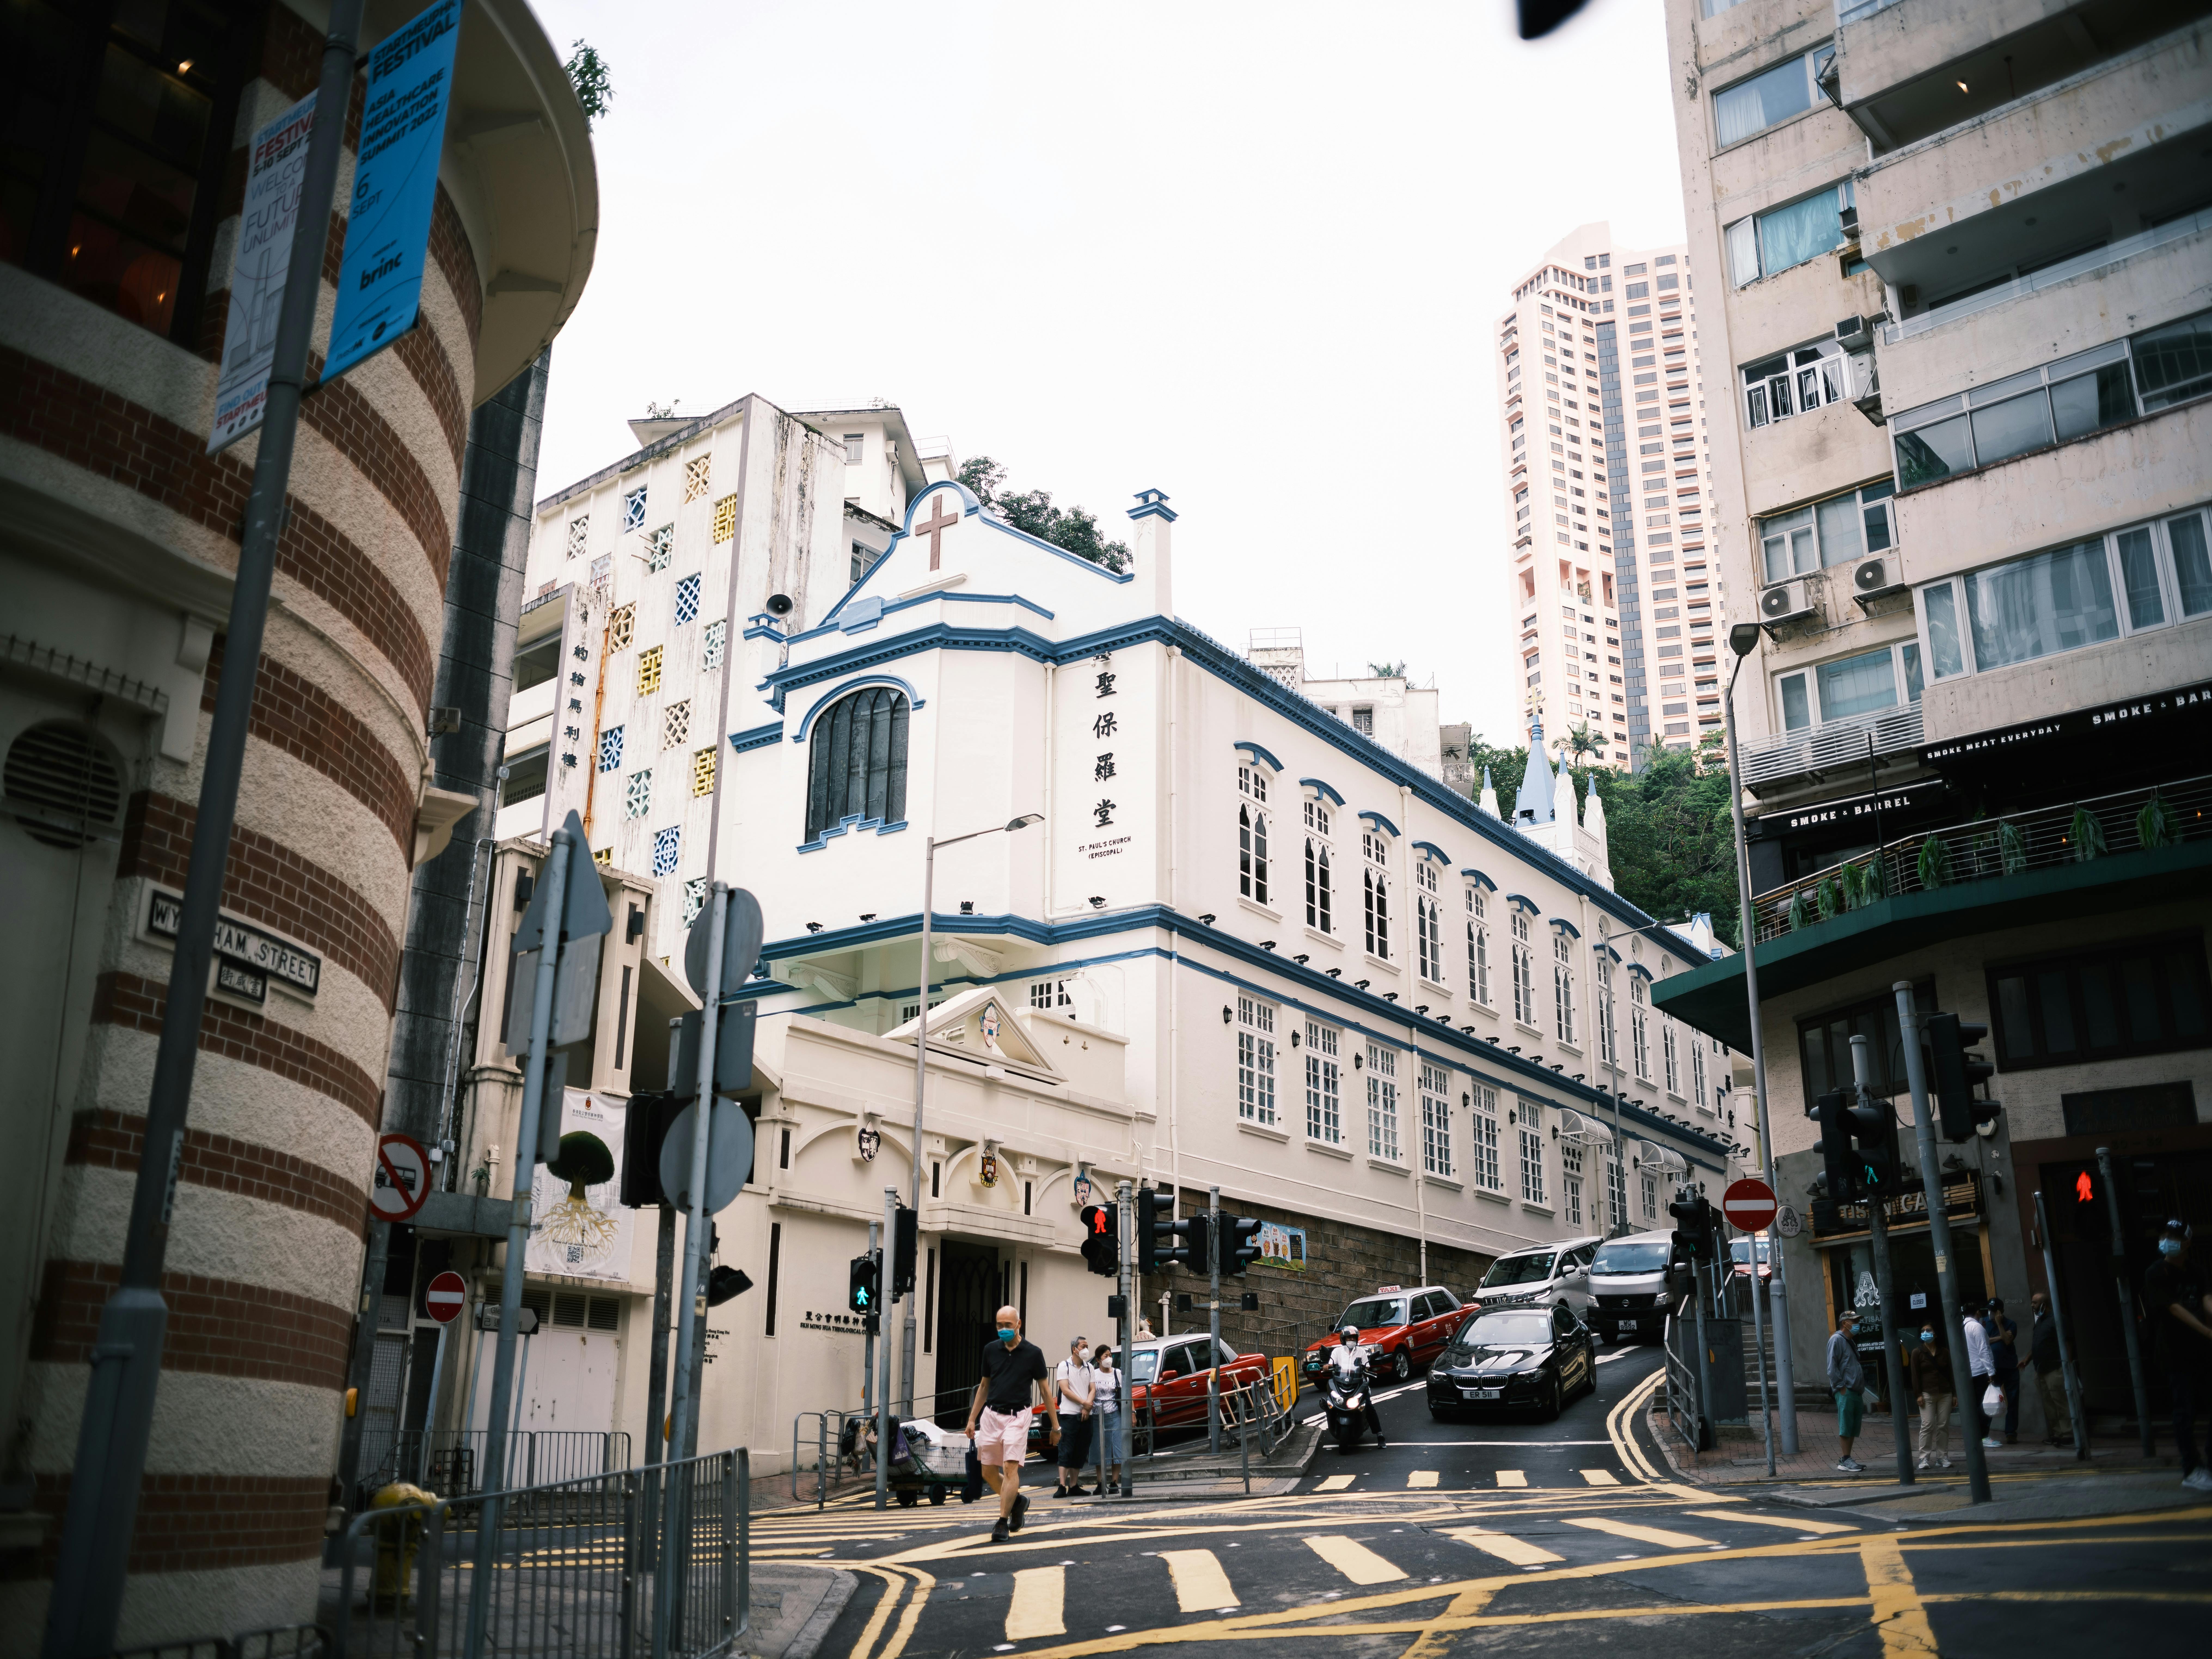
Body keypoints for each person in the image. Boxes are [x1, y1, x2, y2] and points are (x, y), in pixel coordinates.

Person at [964, 1304, 1050, 1544]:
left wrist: (1056, 1427)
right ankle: (1018, 1501)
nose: (1003, 1329)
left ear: (1019, 1324)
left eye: (1008, 1325)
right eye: (999, 1325)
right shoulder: (990, 1350)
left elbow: (1045, 1391)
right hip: (991, 1416)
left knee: (1010, 1467)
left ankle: (1002, 1522)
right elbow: (984, 1386)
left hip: (1018, 1416)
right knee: (988, 1472)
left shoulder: (1033, 1353)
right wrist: (972, 1419)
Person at [2143, 1219, 2212, 1493]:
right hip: (2174, 1353)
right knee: (2185, 1411)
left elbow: (2207, 1299)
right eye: (2164, 1236)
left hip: (2202, 1352)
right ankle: (2191, 1469)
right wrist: (2207, 1332)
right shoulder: (2156, 1272)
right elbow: (2173, 1308)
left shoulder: (2196, 1271)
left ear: (2187, 1242)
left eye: (2173, 1237)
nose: (2166, 1241)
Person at [1051, 1335, 1095, 1497]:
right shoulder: (1065, 1366)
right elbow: (1065, 1390)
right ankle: (1062, 1486)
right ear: (1074, 1349)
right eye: (1083, 1346)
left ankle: (1074, 1486)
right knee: (1066, 1450)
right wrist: (1085, 1404)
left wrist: (1087, 1408)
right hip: (1069, 1415)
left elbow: (1093, 1389)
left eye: (1087, 1346)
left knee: (1080, 1451)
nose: (1086, 1349)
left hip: (1086, 1415)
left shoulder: (1090, 1367)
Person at [2028, 1289, 2073, 1446]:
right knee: (2049, 1405)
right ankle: (2057, 1433)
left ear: (2044, 1304)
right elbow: (2038, 1344)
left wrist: (2068, 1365)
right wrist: (2026, 1360)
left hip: (2055, 1369)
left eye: (2035, 1303)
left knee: (2061, 1402)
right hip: (2040, 1370)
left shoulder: (2058, 1319)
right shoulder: (2040, 1322)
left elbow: (2068, 1342)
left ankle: (2068, 1434)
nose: (2032, 1306)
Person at [1909, 1322, 1954, 1470]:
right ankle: (1924, 1458)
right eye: (1923, 1330)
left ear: (1935, 1334)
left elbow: (1951, 1374)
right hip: (1927, 1394)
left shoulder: (1945, 1352)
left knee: (1943, 1426)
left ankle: (1942, 1457)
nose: (1925, 1333)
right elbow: (1915, 1375)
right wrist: (1918, 1395)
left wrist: (1954, 1394)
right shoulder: (1918, 1352)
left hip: (1945, 1394)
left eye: (1929, 1330)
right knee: (1927, 1425)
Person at [1827, 1307, 1865, 1473]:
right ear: (1845, 1324)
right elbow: (1832, 1367)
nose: (1857, 1324)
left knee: (1853, 1427)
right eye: (1854, 1321)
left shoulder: (1849, 1341)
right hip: (1846, 1391)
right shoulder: (1837, 1340)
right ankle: (1845, 1459)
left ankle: (1847, 1459)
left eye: (1858, 1321)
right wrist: (1841, 1387)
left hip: (1855, 1391)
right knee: (1846, 1426)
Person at [1961, 1304, 1998, 1450]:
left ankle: (1976, 1436)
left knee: (1975, 1406)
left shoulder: (1962, 1327)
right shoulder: (1977, 1327)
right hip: (1981, 1372)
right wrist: (1991, 1371)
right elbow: (1984, 1350)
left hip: (1969, 1373)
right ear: (1978, 1312)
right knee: (1985, 1406)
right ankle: (1984, 1436)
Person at [1986, 1296, 2021, 1443]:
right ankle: (1985, 1433)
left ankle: (2011, 1433)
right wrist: (2002, 1336)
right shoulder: (1985, 1323)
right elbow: (1985, 1341)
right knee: (1989, 1400)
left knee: (2012, 1400)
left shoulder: (2011, 1324)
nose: (1992, 1313)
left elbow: (2008, 1341)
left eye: (1995, 1311)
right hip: (1993, 1369)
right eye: (1990, 1310)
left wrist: (2000, 1324)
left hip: (2010, 1367)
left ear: (2001, 1311)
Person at [1092, 1345, 1125, 1492]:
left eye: (1110, 1355)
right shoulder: (1093, 1374)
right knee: (1099, 1448)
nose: (1109, 1359)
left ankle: (1115, 1482)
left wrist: (1133, 1413)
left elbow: (1127, 1394)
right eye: (1106, 1356)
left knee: (1116, 1448)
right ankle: (1101, 1483)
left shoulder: (1118, 1373)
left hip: (1115, 1414)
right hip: (1096, 1416)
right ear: (1099, 1360)